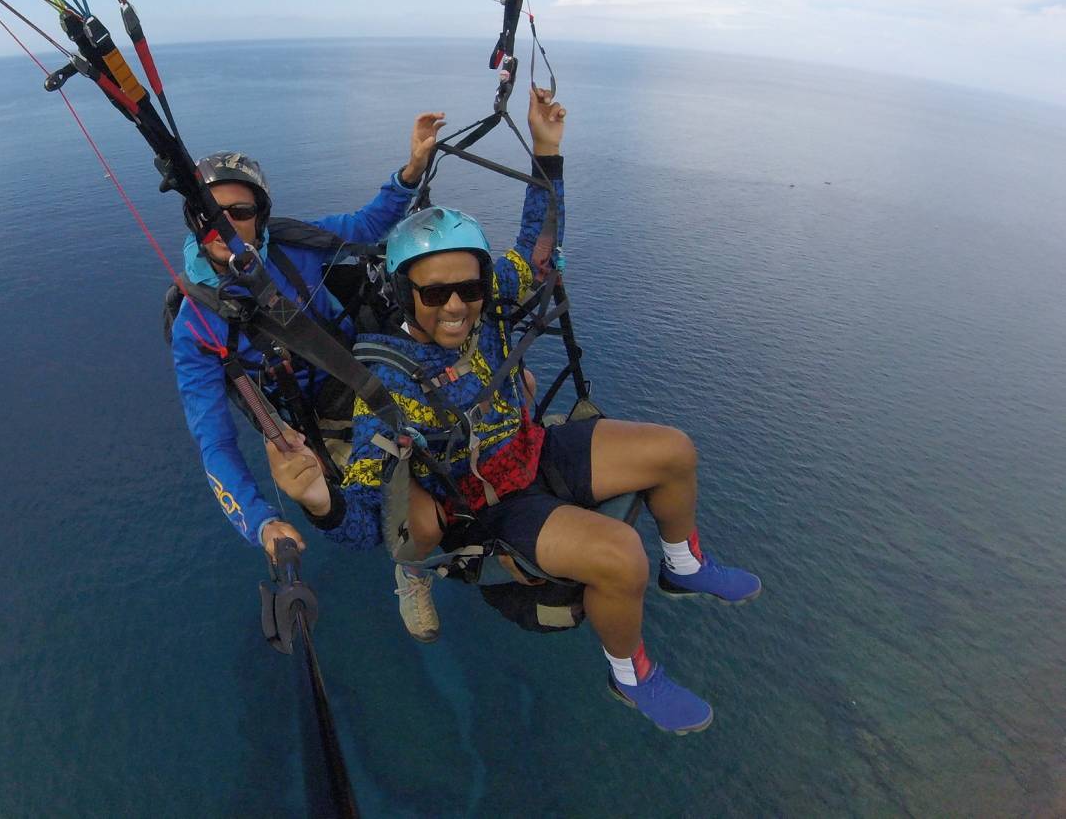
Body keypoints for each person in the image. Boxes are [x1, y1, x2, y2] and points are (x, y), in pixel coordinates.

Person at [266, 87, 760, 734]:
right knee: (619, 557)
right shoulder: (386, 382)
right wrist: (317, 499)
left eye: (467, 287)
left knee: (673, 451)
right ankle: (631, 675)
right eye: (434, 291)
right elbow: (367, 523)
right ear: (401, 291)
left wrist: (547, 153)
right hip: (486, 501)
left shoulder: (492, 298)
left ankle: (685, 566)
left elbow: (537, 250)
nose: (455, 306)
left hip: (530, 448)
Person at [168, 116, 445, 617]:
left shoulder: (294, 244)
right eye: (211, 213)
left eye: (240, 211)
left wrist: (411, 170)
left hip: (367, 368)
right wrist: (261, 521)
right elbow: (214, 437)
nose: (225, 225)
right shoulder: (196, 325)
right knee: (393, 494)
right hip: (317, 421)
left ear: (261, 215)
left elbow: (365, 226)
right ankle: (411, 564)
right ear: (194, 218)